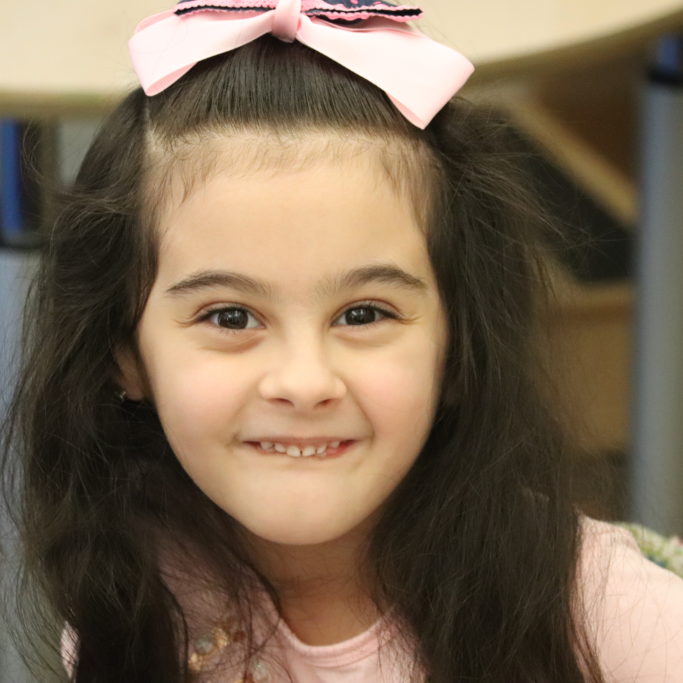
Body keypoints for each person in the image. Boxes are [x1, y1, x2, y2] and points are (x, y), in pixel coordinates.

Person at [3, 1, 683, 681]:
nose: (304, 380)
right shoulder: (139, 596)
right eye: (231, 317)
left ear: (458, 350)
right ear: (124, 353)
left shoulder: (593, 603)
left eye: (362, 314)